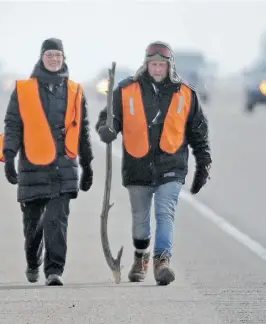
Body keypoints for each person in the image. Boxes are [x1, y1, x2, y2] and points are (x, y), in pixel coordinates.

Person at [95, 41, 212, 286]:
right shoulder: (126, 90)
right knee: (140, 218)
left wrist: (203, 165)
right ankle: (141, 258)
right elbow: (110, 118)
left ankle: (162, 262)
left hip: (172, 164)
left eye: (161, 65)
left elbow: (198, 133)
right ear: (146, 65)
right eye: (153, 64)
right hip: (137, 164)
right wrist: (107, 129)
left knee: (165, 212)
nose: (157, 69)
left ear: (169, 66)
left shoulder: (186, 94)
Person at [0, 38, 94, 286]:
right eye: (49, 55)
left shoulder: (75, 91)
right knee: (33, 226)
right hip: (32, 166)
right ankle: (32, 260)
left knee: (56, 220)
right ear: (41, 57)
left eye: (58, 55)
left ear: (63, 58)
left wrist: (88, 164)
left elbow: (82, 130)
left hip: (64, 166)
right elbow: (13, 125)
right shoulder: (24, 89)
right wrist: (9, 156)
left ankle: (54, 270)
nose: (54, 59)